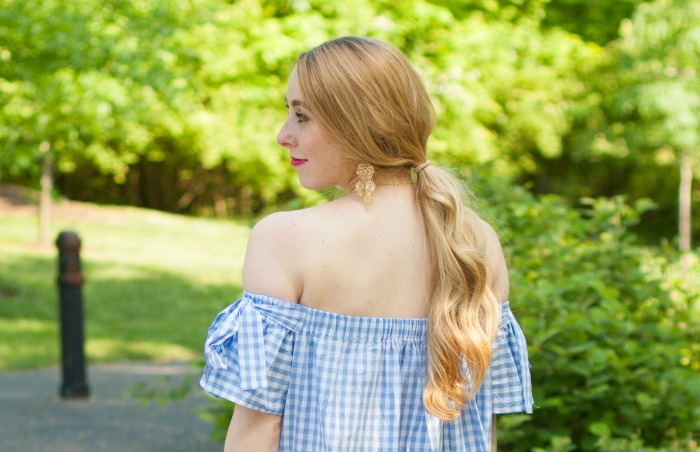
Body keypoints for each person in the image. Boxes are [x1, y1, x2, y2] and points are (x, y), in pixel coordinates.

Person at [200, 36, 533, 451]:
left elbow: (258, 428)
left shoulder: (284, 239)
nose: (283, 135)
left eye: (302, 116)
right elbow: (481, 431)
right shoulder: (474, 240)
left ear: (358, 123)